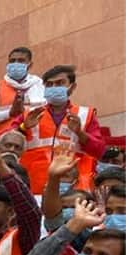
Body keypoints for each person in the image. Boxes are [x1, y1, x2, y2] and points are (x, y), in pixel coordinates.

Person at [18, 65, 105, 195]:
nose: (54, 88)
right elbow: (6, 143)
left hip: (73, 188)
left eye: (60, 83)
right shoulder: (29, 114)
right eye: (49, 84)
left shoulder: (85, 114)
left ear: (72, 87)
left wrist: (80, 133)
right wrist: (24, 127)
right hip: (34, 186)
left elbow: (99, 150)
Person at [0, 47, 44, 138]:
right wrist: (9, 114)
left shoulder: (40, 86)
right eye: (12, 61)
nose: (16, 64)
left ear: (30, 65)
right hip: (3, 142)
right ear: (7, 65)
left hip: (33, 142)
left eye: (21, 61)